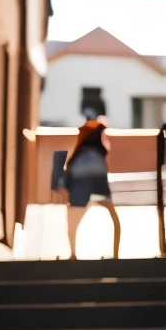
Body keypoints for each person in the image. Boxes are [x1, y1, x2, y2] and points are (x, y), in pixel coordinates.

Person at [60, 109, 121, 258]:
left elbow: (68, 172)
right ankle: (115, 255)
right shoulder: (98, 152)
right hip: (97, 179)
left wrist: (65, 188)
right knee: (113, 218)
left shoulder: (80, 152)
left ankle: (73, 254)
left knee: (72, 222)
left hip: (80, 181)